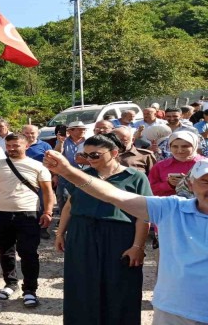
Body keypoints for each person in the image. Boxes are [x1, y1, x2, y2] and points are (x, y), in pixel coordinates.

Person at [43, 151, 208, 325]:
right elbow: (113, 195)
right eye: (206, 181)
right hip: (174, 311)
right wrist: (67, 171)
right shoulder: (171, 208)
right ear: (190, 184)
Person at [52, 134, 151, 324]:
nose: (89, 159)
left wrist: (138, 247)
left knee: (120, 286)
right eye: (86, 155)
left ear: (114, 153)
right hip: (82, 233)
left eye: (95, 155)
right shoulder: (83, 176)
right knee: (81, 283)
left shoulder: (136, 177)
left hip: (119, 236)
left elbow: (143, 215)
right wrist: (60, 232)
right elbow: (70, 206)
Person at [0, 133, 54, 307]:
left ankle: (30, 290)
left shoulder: (38, 166)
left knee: (28, 253)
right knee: (5, 252)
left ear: (26, 146)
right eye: (9, 146)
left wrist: (48, 212)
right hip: (1, 214)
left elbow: (47, 192)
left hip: (28, 215)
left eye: (16, 145)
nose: (12, 149)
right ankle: (10, 283)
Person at [149, 131, 203, 197]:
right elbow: (149, 189)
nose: (180, 150)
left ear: (194, 146)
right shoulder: (160, 166)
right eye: (175, 146)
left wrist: (187, 184)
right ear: (169, 147)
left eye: (185, 146)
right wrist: (169, 184)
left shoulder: (204, 164)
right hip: (168, 205)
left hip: (200, 205)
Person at [54, 121, 88, 215]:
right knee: (63, 196)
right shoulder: (64, 141)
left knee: (83, 196)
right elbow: (57, 154)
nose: (83, 130)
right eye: (80, 129)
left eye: (83, 129)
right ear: (71, 131)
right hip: (66, 174)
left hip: (84, 173)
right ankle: (64, 217)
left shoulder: (88, 141)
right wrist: (60, 142)